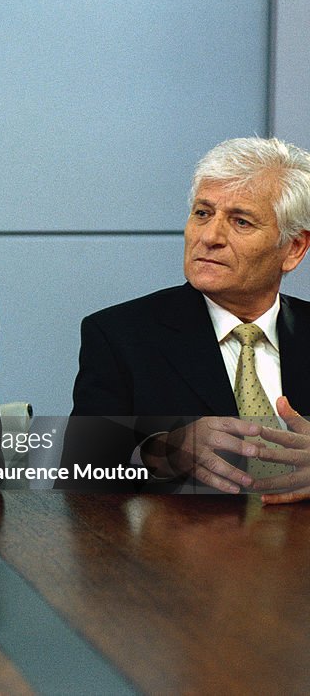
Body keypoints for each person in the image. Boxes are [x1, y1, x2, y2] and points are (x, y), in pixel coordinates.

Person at [63, 137, 310, 499]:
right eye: (202, 213)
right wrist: (164, 452)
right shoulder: (120, 335)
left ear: (293, 248)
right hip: (175, 550)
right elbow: (80, 476)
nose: (210, 237)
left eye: (241, 221)